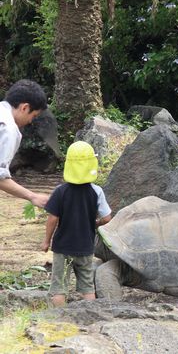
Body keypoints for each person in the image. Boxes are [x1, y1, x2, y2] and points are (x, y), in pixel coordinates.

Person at [41, 141, 112, 306]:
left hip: (62, 248)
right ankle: (91, 315)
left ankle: (58, 318)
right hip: (85, 248)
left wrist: (46, 241)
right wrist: (95, 223)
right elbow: (107, 218)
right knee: (87, 286)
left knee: (59, 286)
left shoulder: (60, 191)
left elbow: (52, 218)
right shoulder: (96, 191)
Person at [0, 79, 49, 208]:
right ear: (24, 107)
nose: (30, 121)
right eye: (33, 115)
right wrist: (32, 196)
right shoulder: (8, 129)